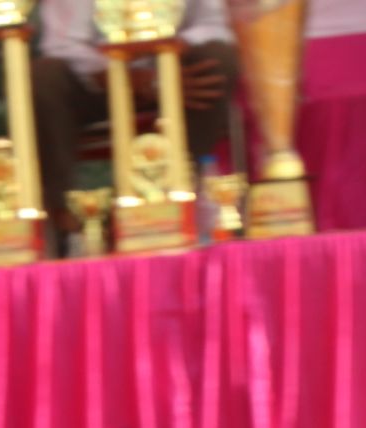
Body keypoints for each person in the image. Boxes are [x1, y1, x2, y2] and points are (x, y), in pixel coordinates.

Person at [33, 0, 239, 246]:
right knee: (45, 77)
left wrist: (171, 53)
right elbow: (62, 44)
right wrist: (124, 75)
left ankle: (174, 194)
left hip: (176, 76)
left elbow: (214, 25)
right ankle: (67, 218)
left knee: (218, 58)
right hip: (97, 80)